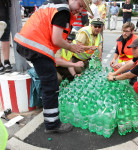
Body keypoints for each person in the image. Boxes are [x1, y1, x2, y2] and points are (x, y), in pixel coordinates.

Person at [14, 0, 93, 133]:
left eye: (83, 9)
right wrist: (71, 47)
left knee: (49, 82)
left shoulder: (55, 4)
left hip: (28, 43)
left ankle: (50, 119)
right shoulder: (63, 11)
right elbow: (56, 39)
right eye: (80, 5)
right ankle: (52, 124)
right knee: (51, 85)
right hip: (36, 46)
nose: (80, 10)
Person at [108, 37, 138, 104]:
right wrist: (114, 73)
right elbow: (130, 64)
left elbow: (129, 75)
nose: (132, 50)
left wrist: (114, 78)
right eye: (132, 48)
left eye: (135, 48)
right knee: (137, 85)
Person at [0, 0, 12, 74]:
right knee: (5, 39)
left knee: (5, 38)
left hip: (4, 13)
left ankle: (4, 64)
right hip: (4, 14)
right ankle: (6, 62)